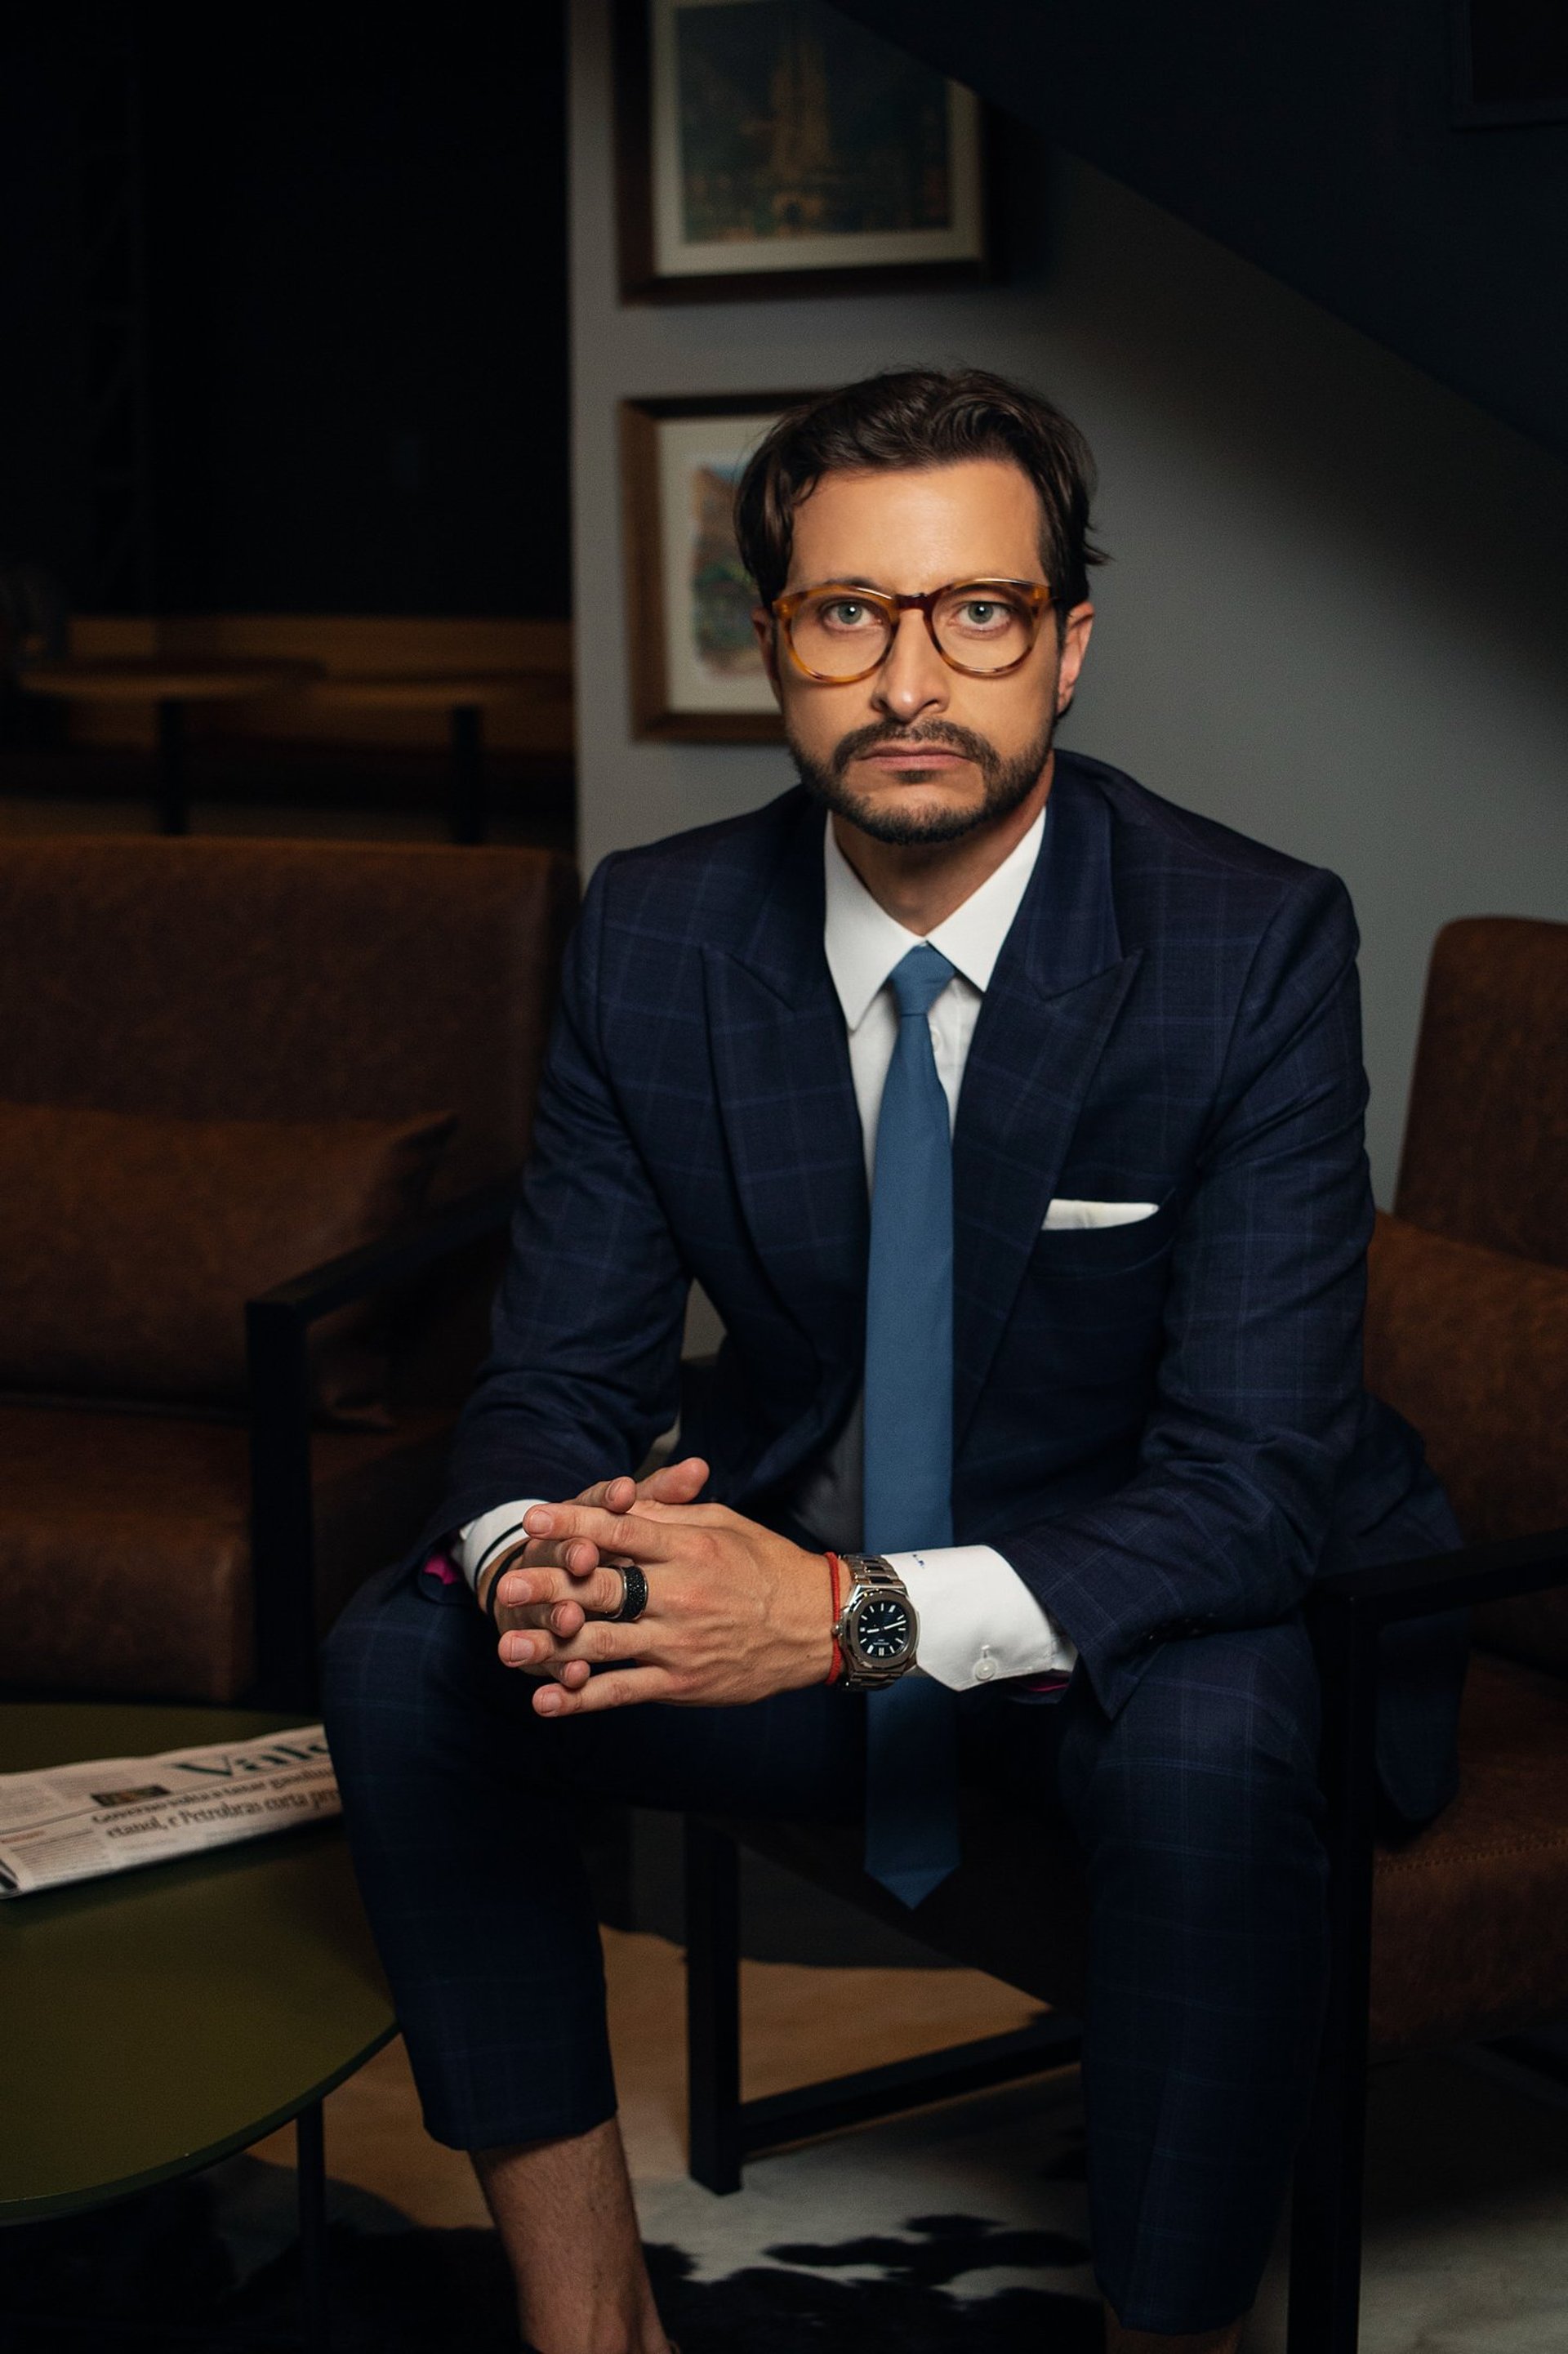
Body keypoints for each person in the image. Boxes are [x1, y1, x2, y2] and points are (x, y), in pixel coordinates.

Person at [323, 368, 1464, 2354]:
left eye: (976, 612)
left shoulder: (1251, 941)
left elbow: (1250, 1491)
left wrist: (840, 1616)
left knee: (1217, 1738)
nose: (909, 676)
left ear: (1068, 643)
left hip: (1138, 1616)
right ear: (773, 642)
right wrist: (543, 1554)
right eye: (846, 613)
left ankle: (1172, 2334)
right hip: (799, 1614)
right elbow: (552, 1383)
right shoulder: (659, 934)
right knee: (414, 1650)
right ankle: (593, 2326)